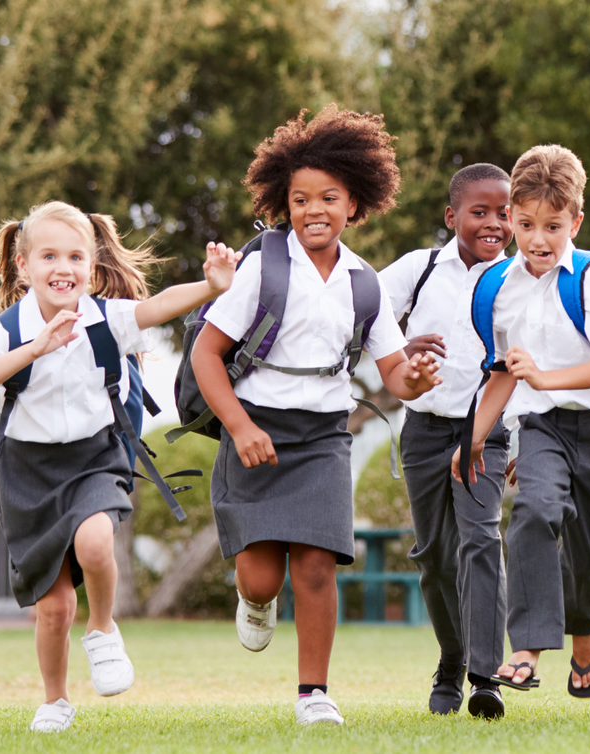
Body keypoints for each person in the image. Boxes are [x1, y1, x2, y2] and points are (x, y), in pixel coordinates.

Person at [191, 105, 441, 726]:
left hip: (324, 435)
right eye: (301, 199)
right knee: (259, 576)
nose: (314, 210)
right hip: (255, 429)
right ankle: (255, 603)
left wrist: (416, 377)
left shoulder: (365, 283)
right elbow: (205, 353)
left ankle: (313, 694)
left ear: (354, 203)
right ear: (285, 203)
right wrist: (241, 427)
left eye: (329, 197)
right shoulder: (263, 266)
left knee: (316, 563)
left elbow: (393, 376)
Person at [0, 201, 238, 732]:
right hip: (28, 472)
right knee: (55, 606)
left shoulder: (107, 318)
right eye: (48, 256)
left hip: (95, 456)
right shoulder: (10, 328)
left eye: (75, 257)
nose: (62, 268)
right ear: (23, 265)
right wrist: (36, 348)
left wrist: (211, 287)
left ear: (91, 265)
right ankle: (55, 700)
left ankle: (104, 627)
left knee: (94, 544)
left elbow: (158, 307)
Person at [452, 144, 590, 701]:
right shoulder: (500, 288)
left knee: (589, 554)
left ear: (575, 221)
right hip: (543, 428)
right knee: (534, 511)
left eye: (553, 226)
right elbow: (505, 371)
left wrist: (545, 377)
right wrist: (473, 439)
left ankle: (585, 630)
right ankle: (525, 650)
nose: (538, 239)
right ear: (511, 219)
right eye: (526, 224)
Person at [379, 162, 515, 718]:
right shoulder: (420, 267)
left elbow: (524, 368)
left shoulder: (519, 280)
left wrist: (519, 438)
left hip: (487, 432)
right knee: (434, 558)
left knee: (481, 541)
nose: (493, 224)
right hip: (423, 432)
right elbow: (365, 317)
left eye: (504, 214)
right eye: (478, 212)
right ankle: (452, 661)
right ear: (451, 215)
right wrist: (402, 345)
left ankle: (486, 677)